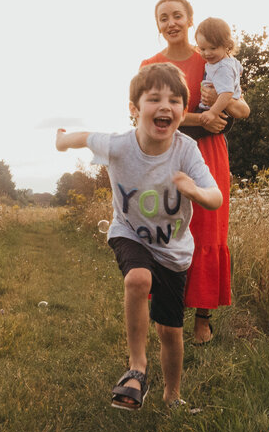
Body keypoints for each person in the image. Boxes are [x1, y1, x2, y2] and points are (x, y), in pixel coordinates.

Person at [55, 63, 223, 410]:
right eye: (154, 99)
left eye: (175, 100)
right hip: (129, 232)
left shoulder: (186, 149)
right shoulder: (119, 145)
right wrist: (60, 141)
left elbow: (215, 196)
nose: (166, 106)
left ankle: (172, 395)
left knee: (170, 333)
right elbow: (83, 137)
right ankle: (137, 368)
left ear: (182, 111)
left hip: (174, 251)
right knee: (137, 278)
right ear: (134, 109)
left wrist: (195, 191)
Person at [142, 0, 250, 345]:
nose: (171, 22)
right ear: (157, 25)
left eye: (177, 16)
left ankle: (203, 319)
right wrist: (198, 118)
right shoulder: (150, 65)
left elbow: (243, 107)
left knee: (206, 230)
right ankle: (168, 312)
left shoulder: (210, 57)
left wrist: (224, 109)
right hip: (165, 154)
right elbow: (144, 114)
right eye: (163, 18)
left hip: (209, 154)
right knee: (167, 228)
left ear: (190, 20)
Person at [195, 17, 243, 132]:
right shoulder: (229, 60)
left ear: (226, 45)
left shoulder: (222, 68)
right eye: (202, 49)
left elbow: (227, 93)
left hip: (219, 112)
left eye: (213, 48)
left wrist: (212, 113)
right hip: (221, 111)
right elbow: (240, 70)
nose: (207, 53)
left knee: (184, 130)